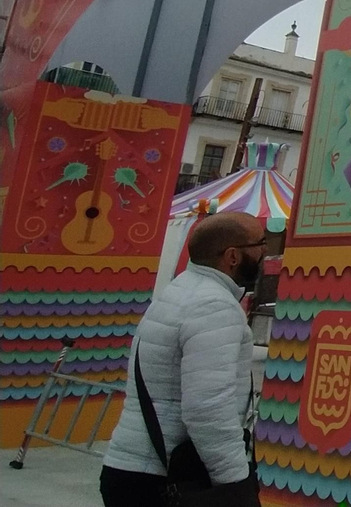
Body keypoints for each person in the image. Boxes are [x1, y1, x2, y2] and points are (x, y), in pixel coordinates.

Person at [102, 213, 266, 507]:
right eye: (260, 243)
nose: (264, 251)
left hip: (133, 469)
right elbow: (207, 407)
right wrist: (235, 484)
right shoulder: (214, 306)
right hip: (164, 480)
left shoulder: (180, 290)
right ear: (232, 256)